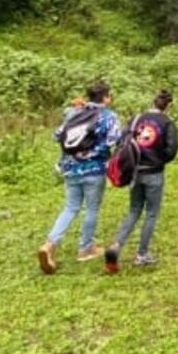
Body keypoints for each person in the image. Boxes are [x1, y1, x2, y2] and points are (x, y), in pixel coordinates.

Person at [38, 82, 121, 274]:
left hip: (70, 169)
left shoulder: (75, 113)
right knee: (91, 209)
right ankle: (86, 248)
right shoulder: (108, 116)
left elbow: (57, 135)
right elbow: (114, 139)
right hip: (94, 169)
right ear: (106, 97)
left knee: (70, 207)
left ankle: (50, 244)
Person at [105, 90, 178, 272]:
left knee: (134, 210)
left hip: (135, 172)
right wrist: (159, 159)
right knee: (151, 213)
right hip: (154, 173)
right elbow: (172, 149)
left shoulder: (136, 118)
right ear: (169, 105)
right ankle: (142, 254)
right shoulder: (167, 123)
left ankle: (116, 245)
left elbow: (123, 140)